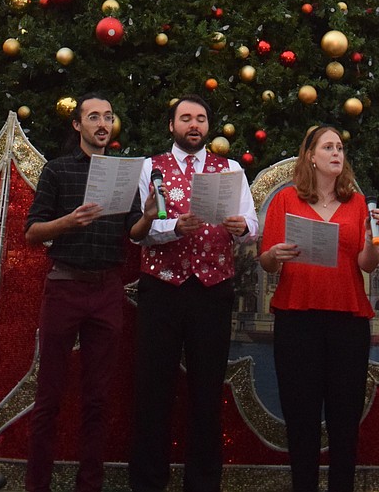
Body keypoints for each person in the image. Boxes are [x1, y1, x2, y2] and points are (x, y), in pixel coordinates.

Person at [24, 92, 155, 492]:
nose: (102, 123)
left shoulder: (123, 173)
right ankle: (37, 485)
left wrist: (148, 217)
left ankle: (90, 485)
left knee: (98, 399)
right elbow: (32, 233)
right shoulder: (58, 171)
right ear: (77, 125)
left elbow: (134, 234)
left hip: (107, 292)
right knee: (49, 397)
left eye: (108, 117)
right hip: (65, 287)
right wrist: (69, 221)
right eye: (93, 117)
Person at [129, 94, 259, 492]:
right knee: (154, 390)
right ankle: (148, 484)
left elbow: (253, 223)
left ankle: (203, 485)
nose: (194, 125)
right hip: (162, 291)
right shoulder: (150, 167)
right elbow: (141, 230)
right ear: (172, 126)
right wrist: (173, 228)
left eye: (200, 119)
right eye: (186, 118)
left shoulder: (230, 169)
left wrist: (242, 227)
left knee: (206, 394)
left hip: (211, 292)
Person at [258, 125, 379, 492]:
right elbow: (267, 261)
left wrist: (374, 239)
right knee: (301, 419)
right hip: (297, 319)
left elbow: (368, 263)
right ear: (311, 156)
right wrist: (274, 255)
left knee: (345, 421)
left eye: (340, 147)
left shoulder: (356, 203)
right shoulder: (286, 200)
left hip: (347, 321)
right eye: (328, 147)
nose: (336, 153)